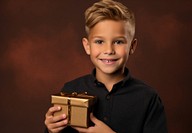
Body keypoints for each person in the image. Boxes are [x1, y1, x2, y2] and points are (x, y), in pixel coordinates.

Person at [44, 0, 168, 133]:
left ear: (132, 46)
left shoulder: (148, 98)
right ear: (87, 46)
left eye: (118, 42)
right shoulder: (70, 90)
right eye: (99, 41)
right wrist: (51, 130)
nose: (109, 50)